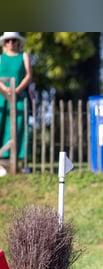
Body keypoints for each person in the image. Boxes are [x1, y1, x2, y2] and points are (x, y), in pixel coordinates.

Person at [0, 32, 32, 176]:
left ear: (17, 42)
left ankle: (20, 163)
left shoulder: (24, 56)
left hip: (19, 98)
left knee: (20, 128)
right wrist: (5, 89)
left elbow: (28, 75)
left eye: (13, 40)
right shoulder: (0, 58)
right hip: (2, 98)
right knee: (2, 128)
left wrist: (17, 89)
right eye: (8, 41)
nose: (11, 43)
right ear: (4, 43)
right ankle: (1, 165)